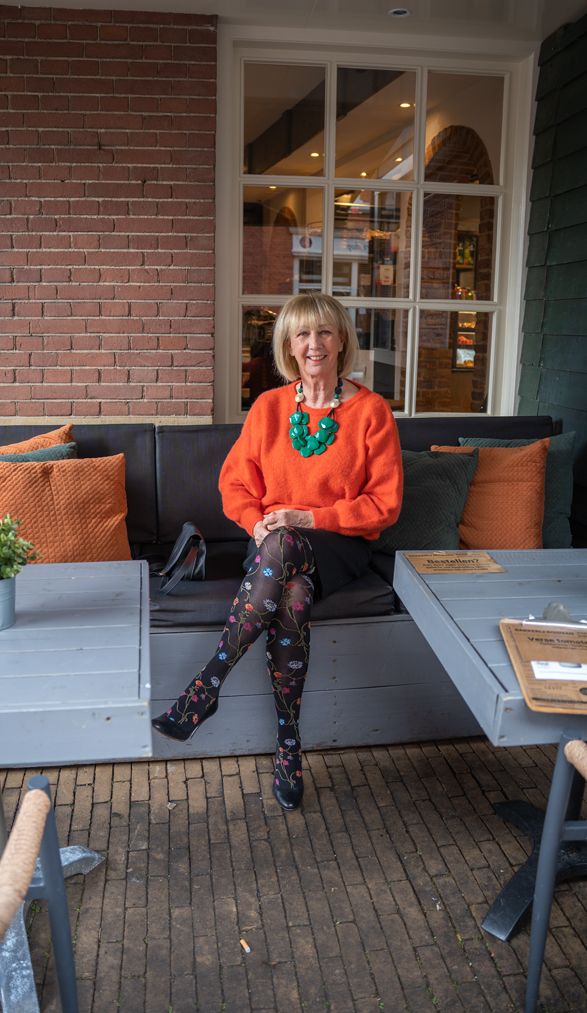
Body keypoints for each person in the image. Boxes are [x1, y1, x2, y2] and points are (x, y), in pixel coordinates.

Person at [151, 293, 403, 811]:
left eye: (326, 332)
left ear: (341, 341)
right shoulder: (268, 408)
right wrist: (259, 523)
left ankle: (207, 685)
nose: (315, 344)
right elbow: (235, 487)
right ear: (289, 346)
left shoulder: (371, 412)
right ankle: (288, 747)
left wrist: (308, 518)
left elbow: (384, 505)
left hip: (339, 545)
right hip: (273, 549)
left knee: (289, 546)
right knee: (292, 594)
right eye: (302, 334)